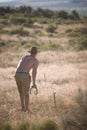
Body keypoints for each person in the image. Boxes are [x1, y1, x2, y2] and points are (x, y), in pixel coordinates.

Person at [14, 47, 39, 112]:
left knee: (21, 92)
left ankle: (23, 107)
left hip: (17, 74)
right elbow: (34, 72)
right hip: (24, 75)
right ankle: (27, 109)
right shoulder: (35, 60)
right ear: (36, 53)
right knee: (26, 93)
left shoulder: (24, 57)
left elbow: (18, 66)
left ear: (30, 52)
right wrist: (33, 83)